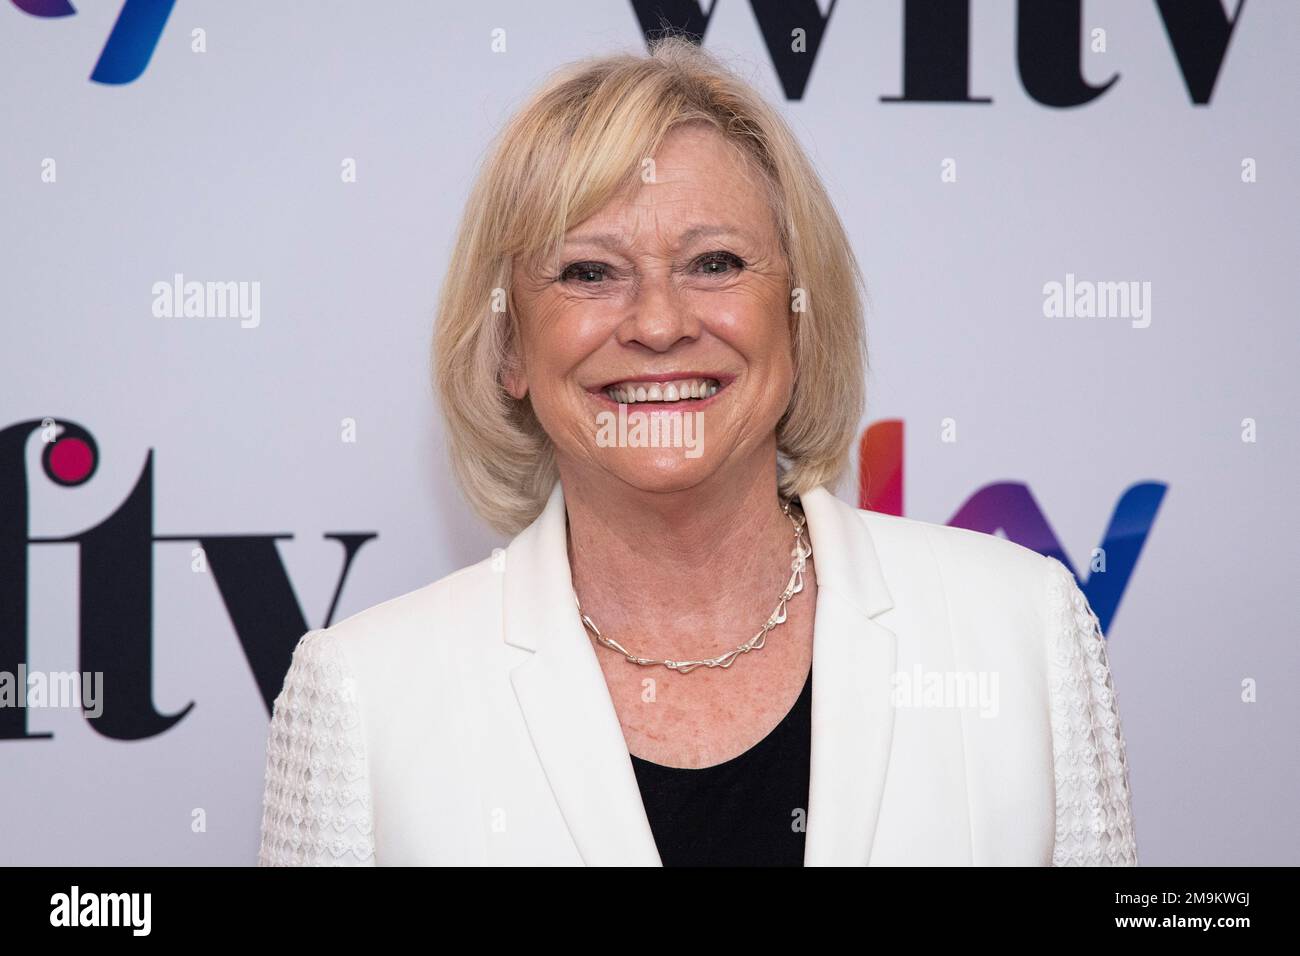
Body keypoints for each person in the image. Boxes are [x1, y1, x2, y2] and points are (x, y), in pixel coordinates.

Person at [257, 36, 1137, 866]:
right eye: (588, 273)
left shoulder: (1020, 628)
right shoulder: (364, 698)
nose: (659, 324)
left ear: (799, 313)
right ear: (510, 347)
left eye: (714, 263)